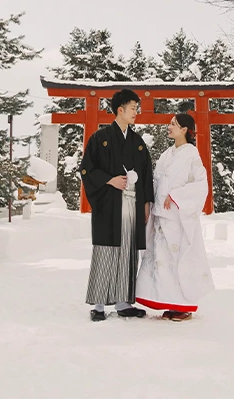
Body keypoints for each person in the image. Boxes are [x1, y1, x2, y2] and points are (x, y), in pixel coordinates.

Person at [81, 88, 154, 321]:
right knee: (106, 251)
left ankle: (123, 302)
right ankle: (99, 305)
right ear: (120, 110)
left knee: (127, 251)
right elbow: (86, 169)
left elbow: (146, 172)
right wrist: (109, 180)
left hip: (132, 204)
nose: (136, 113)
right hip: (109, 202)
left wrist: (146, 202)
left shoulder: (137, 141)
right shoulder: (99, 138)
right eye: (133, 108)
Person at [135, 113, 214, 321]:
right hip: (161, 215)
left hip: (179, 217)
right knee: (162, 262)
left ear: (185, 130)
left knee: (178, 260)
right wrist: (147, 202)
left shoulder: (192, 155)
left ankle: (184, 306)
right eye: (170, 123)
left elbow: (200, 185)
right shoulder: (166, 155)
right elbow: (157, 181)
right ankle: (169, 303)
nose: (169, 127)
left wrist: (177, 196)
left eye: (173, 124)